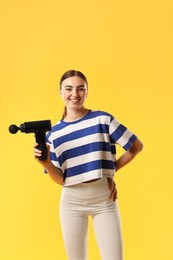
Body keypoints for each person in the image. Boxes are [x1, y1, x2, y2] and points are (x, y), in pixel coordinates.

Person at [34, 70, 143, 260]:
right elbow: (60, 179)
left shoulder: (103, 119)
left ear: (87, 92)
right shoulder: (53, 134)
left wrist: (109, 170)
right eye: (68, 89)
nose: (74, 94)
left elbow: (136, 146)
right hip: (71, 202)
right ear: (60, 92)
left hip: (104, 199)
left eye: (80, 89)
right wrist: (45, 163)